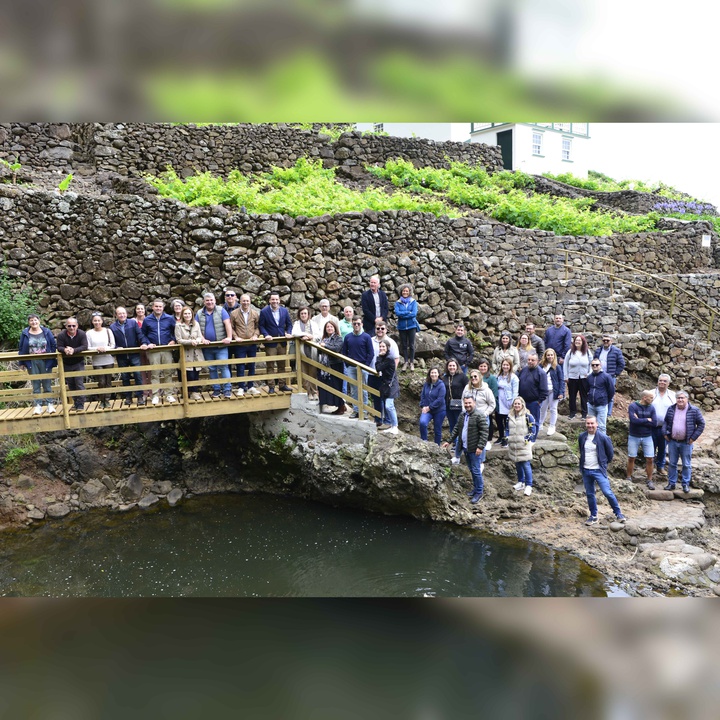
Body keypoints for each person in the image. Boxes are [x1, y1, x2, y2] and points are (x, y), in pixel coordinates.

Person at [578, 416, 626, 526]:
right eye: (588, 423)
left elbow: (610, 455)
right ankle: (593, 516)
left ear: (597, 424)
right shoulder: (582, 436)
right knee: (590, 494)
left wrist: (603, 464)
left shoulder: (604, 437)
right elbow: (581, 450)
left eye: (592, 423)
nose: (590, 426)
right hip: (586, 470)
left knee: (607, 492)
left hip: (598, 470)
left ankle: (618, 514)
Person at [443, 396, 488, 504]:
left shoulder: (479, 415)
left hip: (475, 449)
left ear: (474, 403)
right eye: (466, 403)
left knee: (476, 470)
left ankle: (479, 492)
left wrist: (480, 447)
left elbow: (484, 432)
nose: (468, 405)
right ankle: (475, 489)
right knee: (472, 470)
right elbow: (456, 429)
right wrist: (449, 441)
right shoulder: (463, 415)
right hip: (466, 447)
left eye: (469, 403)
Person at [663, 391, 705, 493]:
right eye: (678, 398)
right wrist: (665, 433)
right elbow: (665, 422)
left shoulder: (694, 410)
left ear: (687, 399)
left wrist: (693, 438)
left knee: (686, 464)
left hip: (686, 443)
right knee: (672, 463)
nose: (680, 400)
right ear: (676, 399)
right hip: (672, 441)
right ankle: (671, 483)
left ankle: (685, 484)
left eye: (682, 398)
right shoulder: (671, 409)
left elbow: (701, 424)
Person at [139, 298, 177, 405]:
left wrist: (173, 340)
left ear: (163, 307)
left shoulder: (169, 318)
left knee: (168, 372)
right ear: (152, 307)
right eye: (156, 306)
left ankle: (169, 394)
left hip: (166, 348)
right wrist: (147, 343)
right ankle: (155, 395)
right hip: (154, 349)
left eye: (160, 306)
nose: (158, 308)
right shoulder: (147, 320)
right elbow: (143, 334)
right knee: (155, 373)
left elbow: (175, 331)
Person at [196, 291, 233, 399]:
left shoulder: (222, 311)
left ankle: (227, 390)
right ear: (204, 302)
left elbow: (227, 324)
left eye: (211, 300)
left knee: (224, 367)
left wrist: (229, 337)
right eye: (207, 300)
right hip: (207, 347)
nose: (209, 302)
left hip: (221, 346)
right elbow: (196, 328)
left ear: (215, 301)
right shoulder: (199, 313)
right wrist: (202, 339)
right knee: (212, 368)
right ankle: (216, 389)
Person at [18, 314, 57, 415]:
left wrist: (51, 356)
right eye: (31, 320)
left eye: (35, 320)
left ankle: (50, 405)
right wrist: (21, 362)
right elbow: (21, 347)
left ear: (39, 321)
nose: (34, 322)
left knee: (47, 383)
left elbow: (53, 344)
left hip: (45, 360)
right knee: (35, 384)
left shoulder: (46, 331)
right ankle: (38, 406)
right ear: (29, 322)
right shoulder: (25, 333)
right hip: (31, 360)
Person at [258, 292, 293, 394]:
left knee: (282, 365)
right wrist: (266, 335)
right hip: (271, 343)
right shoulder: (264, 311)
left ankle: (282, 385)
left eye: (276, 299)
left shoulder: (284, 311)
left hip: (282, 342)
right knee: (270, 365)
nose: (275, 301)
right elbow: (261, 326)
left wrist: (288, 333)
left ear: (279, 300)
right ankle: (271, 386)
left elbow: (289, 325)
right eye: (273, 299)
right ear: (269, 300)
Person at [110, 306, 145, 406]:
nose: (122, 315)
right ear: (116, 315)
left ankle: (139, 396)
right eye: (119, 313)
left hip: (134, 353)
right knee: (125, 377)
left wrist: (143, 343)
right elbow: (112, 341)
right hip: (122, 355)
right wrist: (116, 347)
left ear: (126, 314)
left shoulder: (133, 323)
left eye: (123, 313)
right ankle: (128, 397)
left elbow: (140, 335)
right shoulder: (113, 327)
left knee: (138, 375)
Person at [341, 316, 374, 419]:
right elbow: (344, 352)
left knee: (363, 390)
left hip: (363, 367)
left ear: (362, 324)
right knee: (354, 389)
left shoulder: (366, 337)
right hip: (351, 367)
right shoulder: (348, 337)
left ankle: (364, 411)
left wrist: (365, 366)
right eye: (354, 323)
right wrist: (347, 364)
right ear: (352, 324)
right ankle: (356, 410)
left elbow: (371, 353)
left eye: (358, 324)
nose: (356, 325)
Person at [230, 294, 262, 397]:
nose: (245, 303)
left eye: (247, 301)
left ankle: (251, 386)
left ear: (250, 302)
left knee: (252, 365)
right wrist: (235, 337)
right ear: (240, 301)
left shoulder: (255, 313)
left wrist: (256, 335)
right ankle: (241, 387)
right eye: (244, 301)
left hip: (252, 343)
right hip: (240, 344)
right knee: (240, 365)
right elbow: (231, 327)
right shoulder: (234, 313)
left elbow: (258, 327)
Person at [56, 316, 88, 411]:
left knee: (79, 383)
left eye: (73, 326)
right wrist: (65, 350)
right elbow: (59, 347)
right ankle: (75, 402)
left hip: (78, 362)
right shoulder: (61, 335)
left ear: (77, 326)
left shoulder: (81, 334)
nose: (71, 328)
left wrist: (74, 350)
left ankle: (81, 404)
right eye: (69, 326)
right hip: (67, 363)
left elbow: (84, 346)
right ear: (66, 326)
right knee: (71, 384)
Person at [627, 390, 657, 490]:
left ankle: (649, 479)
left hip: (647, 436)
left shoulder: (652, 408)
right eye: (651, 398)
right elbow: (633, 421)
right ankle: (628, 477)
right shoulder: (633, 406)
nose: (652, 400)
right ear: (644, 398)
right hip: (634, 435)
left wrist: (639, 420)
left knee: (650, 458)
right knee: (631, 457)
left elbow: (654, 423)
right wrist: (647, 420)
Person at [86, 311, 116, 409]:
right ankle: (101, 400)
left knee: (108, 381)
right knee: (101, 381)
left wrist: (105, 348)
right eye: (95, 321)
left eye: (99, 320)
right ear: (92, 322)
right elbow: (88, 347)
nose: (97, 322)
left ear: (102, 321)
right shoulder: (89, 333)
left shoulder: (108, 331)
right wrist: (97, 349)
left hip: (108, 359)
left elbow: (113, 345)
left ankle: (106, 401)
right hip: (97, 360)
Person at [506, 396, 536, 496]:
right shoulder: (509, 416)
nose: (517, 405)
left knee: (525, 464)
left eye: (519, 404)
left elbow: (533, 430)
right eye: (515, 404)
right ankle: (521, 482)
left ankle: (529, 485)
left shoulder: (528, 416)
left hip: (523, 445)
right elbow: (507, 429)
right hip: (513, 445)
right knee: (517, 464)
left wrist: (527, 439)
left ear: (522, 404)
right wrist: (507, 438)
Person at [175, 306, 205, 401]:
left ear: (192, 315)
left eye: (189, 313)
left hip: (196, 353)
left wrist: (197, 340)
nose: (187, 315)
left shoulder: (196, 324)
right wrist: (190, 342)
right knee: (188, 374)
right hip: (186, 353)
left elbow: (200, 336)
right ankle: (186, 392)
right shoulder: (178, 326)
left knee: (196, 373)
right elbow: (179, 340)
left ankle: (194, 392)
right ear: (182, 315)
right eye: (185, 314)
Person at [517, 352, 547, 442]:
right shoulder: (524, 370)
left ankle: (532, 439)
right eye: (529, 360)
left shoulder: (541, 373)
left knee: (533, 421)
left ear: (537, 361)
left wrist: (539, 401)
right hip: (522, 402)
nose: (530, 362)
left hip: (534, 402)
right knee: (523, 421)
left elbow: (544, 390)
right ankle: (524, 438)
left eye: (532, 360)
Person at [317, 320, 345, 415]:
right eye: (327, 327)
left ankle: (341, 406)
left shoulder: (339, 338)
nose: (329, 328)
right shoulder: (323, 339)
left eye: (331, 327)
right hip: (324, 366)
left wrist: (325, 345)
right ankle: (332, 404)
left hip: (336, 365)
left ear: (335, 328)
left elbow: (337, 348)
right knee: (327, 386)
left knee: (337, 386)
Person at [593, 334, 625, 417]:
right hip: (599, 375)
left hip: (610, 376)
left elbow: (621, 364)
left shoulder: (616, 351)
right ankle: (599, 413)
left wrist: (615, 373)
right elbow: (594, 361)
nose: (606, 342)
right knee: (598, 393)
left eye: (607, 340)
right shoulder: (598, 350)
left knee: (610, 395)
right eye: (604, 340)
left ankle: (608, 414)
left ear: (611, 341)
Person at [651, 374, 676, 478]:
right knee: (650, 447)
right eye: (660, 380)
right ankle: (649, 466)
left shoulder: (673, 395)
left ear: (668, 383)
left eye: (665, 381)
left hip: (665, 427)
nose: (662, 382)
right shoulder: (651, 393)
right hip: (651, 426)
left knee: (662, 448)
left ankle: (660, 467)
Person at [564, 334, 592, 420]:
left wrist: (589, 373)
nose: (578, 342)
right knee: (572, 396)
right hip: (572, 377)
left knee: (584, 396)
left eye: (579, 340)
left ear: (583, 342)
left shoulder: (587, 352)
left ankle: (584, 414)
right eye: (576, 340)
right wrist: (566, 376)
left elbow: (591, 363)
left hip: (584, 378)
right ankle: (572, 413)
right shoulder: (570, 352)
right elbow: (565, 364)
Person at [292, 306, 318, 399]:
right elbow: (294, 333)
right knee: (304, 371)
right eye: (302, 313)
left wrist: (310, 337)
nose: (303, 315)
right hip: (302, 350)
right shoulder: (297, 324)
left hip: (312, 350)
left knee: (313, 371)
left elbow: (317, 335)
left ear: (308, 314)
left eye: (305, 313)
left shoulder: (313, 324)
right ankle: (308, 392)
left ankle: (314, 392)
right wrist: (305, 334)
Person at [443, 359, 468, 454]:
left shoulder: (462, 377)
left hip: (459, 405)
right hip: (448, 405)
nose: (452, 367)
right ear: (447, 367)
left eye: (453, 366)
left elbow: (468, 388)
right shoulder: (445, 377)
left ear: (457, 366)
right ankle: (454, 443)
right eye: (450, 366)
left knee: (460, 425)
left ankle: (459, 444)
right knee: (452, 425)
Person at [394, 284, 421, 371]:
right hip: (402, 327)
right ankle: (406, 361)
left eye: (407, 291)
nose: (405, 292)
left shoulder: (413, 302)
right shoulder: (398, 302)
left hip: (411, 326)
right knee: (404, 345)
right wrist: (408, 313)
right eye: (403, 291)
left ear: (409, 292)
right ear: (401, 292)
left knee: (412, 345)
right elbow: (397, 313)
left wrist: (404, 314)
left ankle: (412, 362)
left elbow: (414, 313)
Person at [375, 340, 400, 434]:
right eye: (380, 347)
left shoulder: (389, 358)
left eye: (383, 347)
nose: (381, 348)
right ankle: (393, 425)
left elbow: (378, 368)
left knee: (389, 406)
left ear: (387, 348)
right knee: (387, 406)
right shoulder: (384, 357)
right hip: (386, 384)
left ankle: (395, 426)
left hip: (391, 385)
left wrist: (378, 357)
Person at [538, 348, 564, 436]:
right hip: (544, 391)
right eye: (548, 355)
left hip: (554, 390)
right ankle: (540, 424)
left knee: (553, 409)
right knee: (543, 408)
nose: (550, 357)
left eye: (551, 355)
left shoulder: (557, 367)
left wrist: (561, 392)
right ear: (545, 356)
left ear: (554, 356)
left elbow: (561, 380)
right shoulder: (541, 366)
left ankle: (552, 426)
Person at [586, 358, 615, 433]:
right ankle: (592, 441)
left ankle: (602, 444)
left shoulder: (606, 377)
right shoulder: (589, 377)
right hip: (591, 405)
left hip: (602, 405)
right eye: (593, 365)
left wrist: (605, 400)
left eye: (597, 365)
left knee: (601, 426)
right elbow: (587, 389)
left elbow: (611, 390)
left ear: (600, 365)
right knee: (591, 425)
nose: (595, 366)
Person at [419, 367, 446, 445]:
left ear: (438, 374)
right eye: (432, 373)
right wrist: (423, 406)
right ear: (429, 374)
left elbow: (440, 399)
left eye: (435, 373)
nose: (433, 374)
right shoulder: (426, 384)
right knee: (422, 423)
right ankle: (424, 442)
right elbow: (423, 396)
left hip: (439, 410)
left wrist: (429, 407)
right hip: (427, 410)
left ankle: (437, 446)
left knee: (437, 429)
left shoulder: (441, 385)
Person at [222, 288, 243, 391]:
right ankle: (227, 386)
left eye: (232, 295)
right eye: (227, 295)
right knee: (227, 364)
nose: (230, 297)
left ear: (236, 297)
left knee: (241, 363)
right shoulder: (221, 309)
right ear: (225, 298)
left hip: (239, 340)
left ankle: (241, 386)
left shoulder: (241, 308)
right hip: (226, 341)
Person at [495, 358, 519, 447]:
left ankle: (507, 438)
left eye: (507, 365)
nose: (505, 366)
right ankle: (501, 436)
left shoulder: (514, 377)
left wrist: (513, 403)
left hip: (507, 401)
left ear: (510, 366)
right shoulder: (499, 376)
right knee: (498, 420)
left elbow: (515, 391)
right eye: (504, 365)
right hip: (499, 401)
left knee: (506, 422)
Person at [477, 358, 499, 449]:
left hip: (488, 405)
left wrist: (490, 404)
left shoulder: (492, 378)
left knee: (488, 422)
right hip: (477, 405)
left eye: (484, 366)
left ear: (488, 367)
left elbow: (494, 392)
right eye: (481, 366)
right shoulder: (475, 376)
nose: (482, 368)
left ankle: (488, 440)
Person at [134, 303, 152, 398]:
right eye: (138, 309)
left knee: (151, 370)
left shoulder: (149, 320)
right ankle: (145, 392)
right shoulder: (133, 321)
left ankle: (152, 391)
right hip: (138, 349)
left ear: (145, 310)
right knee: (142, 372)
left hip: (149, 347)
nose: (140, 310)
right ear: (135, 310)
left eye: (142, 308)